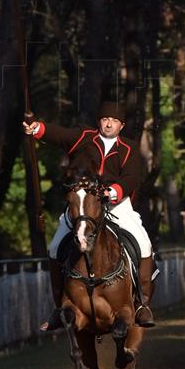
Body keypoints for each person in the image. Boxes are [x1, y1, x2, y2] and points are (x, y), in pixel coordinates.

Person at [23, 101, 156, 329]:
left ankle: (142, 303)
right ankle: (58, 307)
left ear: (121, 126)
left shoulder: (129, 148)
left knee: (144, 244)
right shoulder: (84, 137)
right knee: (55, 247)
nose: (108, 124)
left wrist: (112, 191)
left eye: (114, 121)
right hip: (82, 205)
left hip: (117, 206)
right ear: (99, 122)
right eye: (105, 120)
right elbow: (59, 135)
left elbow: (133, 177)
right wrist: (37, 128)